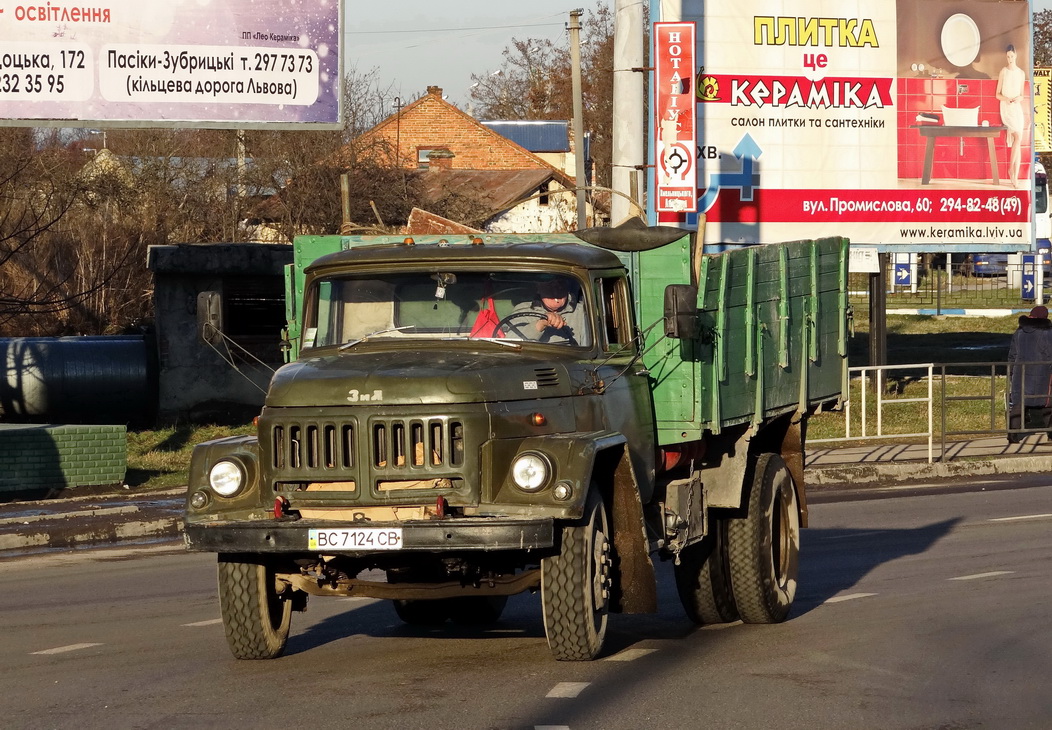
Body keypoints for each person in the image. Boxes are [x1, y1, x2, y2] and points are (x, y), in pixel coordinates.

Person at [1007, 304, 1052, 442]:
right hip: (1043, 374)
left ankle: (1012, 435)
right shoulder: (1048, 333)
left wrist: (1011, 373)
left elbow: (1012, 355)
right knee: (1048, 403)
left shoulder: (1019, 332)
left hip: (1020, 373)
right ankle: (1051, 433)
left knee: (1018, 403)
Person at [505, 276, 589, 345]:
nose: (555, 291)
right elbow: (510, 344)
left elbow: (591, 353)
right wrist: (540, 324)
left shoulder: (583, 312)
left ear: (566, 286)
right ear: (538, 287)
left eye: (560, 284)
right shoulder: (523, 310)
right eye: (549, 285)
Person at [996, 44, 1027, 189]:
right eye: (1008, 57)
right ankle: (1012, 172)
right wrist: (1006, 99)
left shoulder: (1021, 73)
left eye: (1012, 56)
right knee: (1018, 138)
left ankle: (1015, 174)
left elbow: (1022, 95)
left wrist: (1017, 99)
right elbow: (997, 94)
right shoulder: (1003, 71)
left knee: (1018, 141)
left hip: (1016, 108)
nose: (1009, 59)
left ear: (1016, 56)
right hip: (1007, 108)